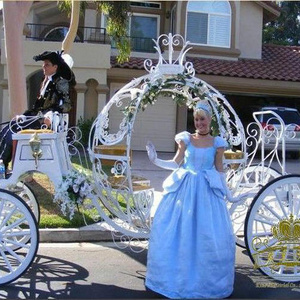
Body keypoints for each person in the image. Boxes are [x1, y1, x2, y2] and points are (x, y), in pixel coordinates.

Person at [145, 100, 241, 299]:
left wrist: (228, 193)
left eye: (202, 119)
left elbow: (220, 170)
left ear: (210, 120)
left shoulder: (217, 144)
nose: (199, 123)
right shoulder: (186, 139)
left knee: (206, 233)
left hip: (206, 191)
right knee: (179, 230)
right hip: (185, 190)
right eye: (196, 119)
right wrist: (155, 160)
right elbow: (176, 163)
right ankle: (175, 278)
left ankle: (204, 281)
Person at [0, 50, 76, 175]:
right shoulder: (46, 80)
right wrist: (24, 116)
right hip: (37, 116)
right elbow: (38, 106)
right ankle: (2, 164)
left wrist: (51, 114)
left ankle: (2, 164)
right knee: (7, 128)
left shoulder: (60, 82)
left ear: (55, 67)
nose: (43, 67)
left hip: (44, 121)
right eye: (43, 64)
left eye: (47, 64)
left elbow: (67, 105)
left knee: (13, 128)